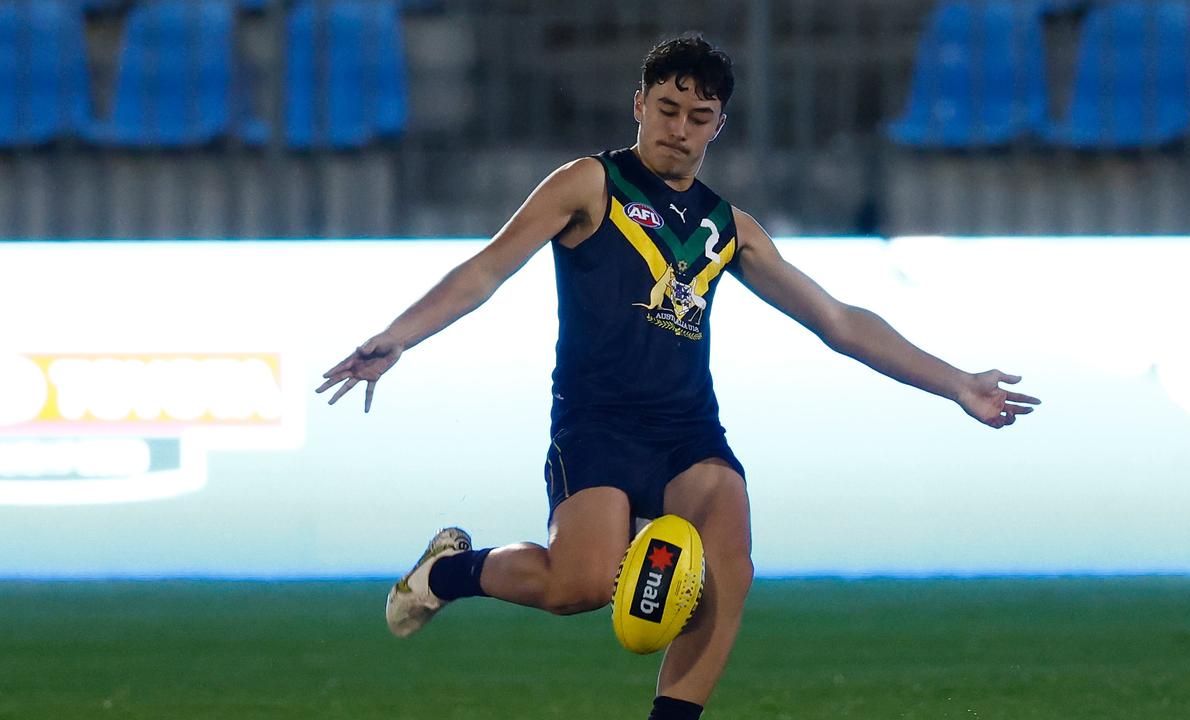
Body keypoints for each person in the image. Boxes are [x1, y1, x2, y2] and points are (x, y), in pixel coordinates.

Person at [316, 33, 1040, 720]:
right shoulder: (590, 183)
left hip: (686, 432)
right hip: (596, 427)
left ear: (718, 127)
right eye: (667, 109)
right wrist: (400, 335)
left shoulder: (729, 228)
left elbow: (840, 321)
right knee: (581, 588)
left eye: (700, 117)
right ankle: (446, 572)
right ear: (639, 104)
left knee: (731, 558)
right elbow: (486, 269)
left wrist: (957, 384)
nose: (679, 129)